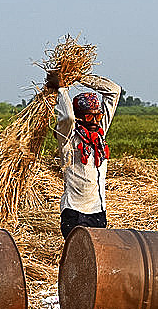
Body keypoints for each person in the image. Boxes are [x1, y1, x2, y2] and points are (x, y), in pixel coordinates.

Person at [47, 70, 122, 239]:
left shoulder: (99, 135)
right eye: (89, 116)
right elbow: (67, 118)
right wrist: (62, 88)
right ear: (80, 118)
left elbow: (114, 91)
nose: (96, 121)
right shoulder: (68, 138)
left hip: (99, 213)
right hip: (75, 214)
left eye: (98, 115)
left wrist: (79, 77)